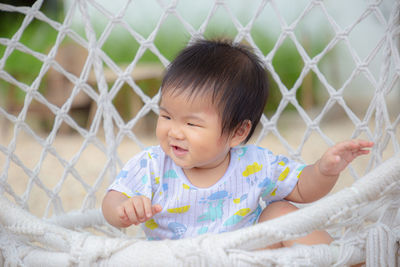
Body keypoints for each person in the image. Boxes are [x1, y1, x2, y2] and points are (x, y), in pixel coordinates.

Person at [102, 39, 373, 247]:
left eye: (192, 123)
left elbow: (303, 189)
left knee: (280, 211)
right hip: (177, 258)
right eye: (166, 116)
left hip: (245, 257)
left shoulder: (254, 165)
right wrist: (122, 209)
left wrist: (324, 170)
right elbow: (113, 198)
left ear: (238, 132)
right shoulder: (152, 164)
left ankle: (338, 261)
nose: (174, 131)